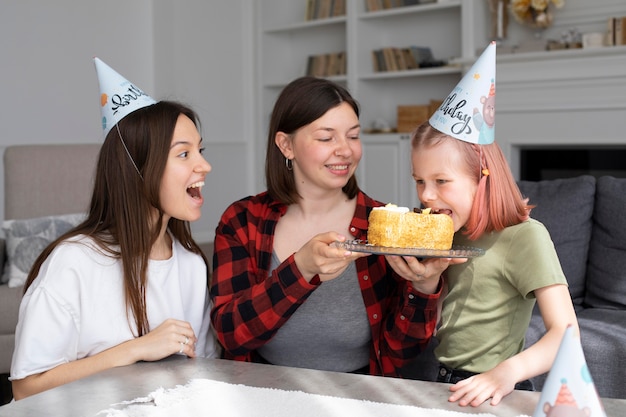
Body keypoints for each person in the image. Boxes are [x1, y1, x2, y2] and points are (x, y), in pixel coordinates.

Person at [209, 76, 462, 377]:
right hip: (261, 385)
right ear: (286, 145)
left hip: (358, 390)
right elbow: (231, 335)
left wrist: (422, 288)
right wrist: (300, 269)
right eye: (326, 138)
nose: (345, 150)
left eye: (353, 136)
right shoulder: (242, 220)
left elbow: (403, 352)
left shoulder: (384, 224)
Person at [10, 58, 218, 400]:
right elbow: (26, 387)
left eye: (200, 150)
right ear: (138, 169)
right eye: (184, 155)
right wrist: (134, 350)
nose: (204, 165)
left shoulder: (192, 265)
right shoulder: (74, 262)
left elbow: (203, 372)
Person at [410, 42, 578, 407]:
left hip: (498, 389)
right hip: (441, 383)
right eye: (419, 181)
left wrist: (507, 373)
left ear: (482, 177)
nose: (425, 195)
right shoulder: (448, 232)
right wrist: (425, 281)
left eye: (441, 181)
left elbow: (567, 334)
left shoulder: (524, 237)